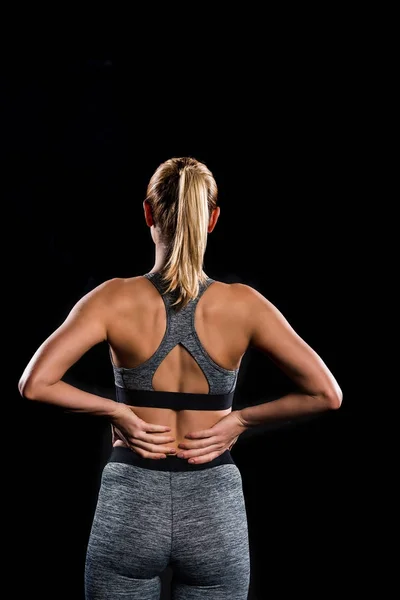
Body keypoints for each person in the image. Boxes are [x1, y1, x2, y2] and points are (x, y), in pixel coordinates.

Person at [18, 156, 342, 600]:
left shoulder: (113, 299)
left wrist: (118, 411)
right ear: (212, 219)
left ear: (149, 213)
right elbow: (327, 394)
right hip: (214, 505)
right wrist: (240, 421)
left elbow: (34, 383)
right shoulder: (244, 305)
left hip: (131, 502)